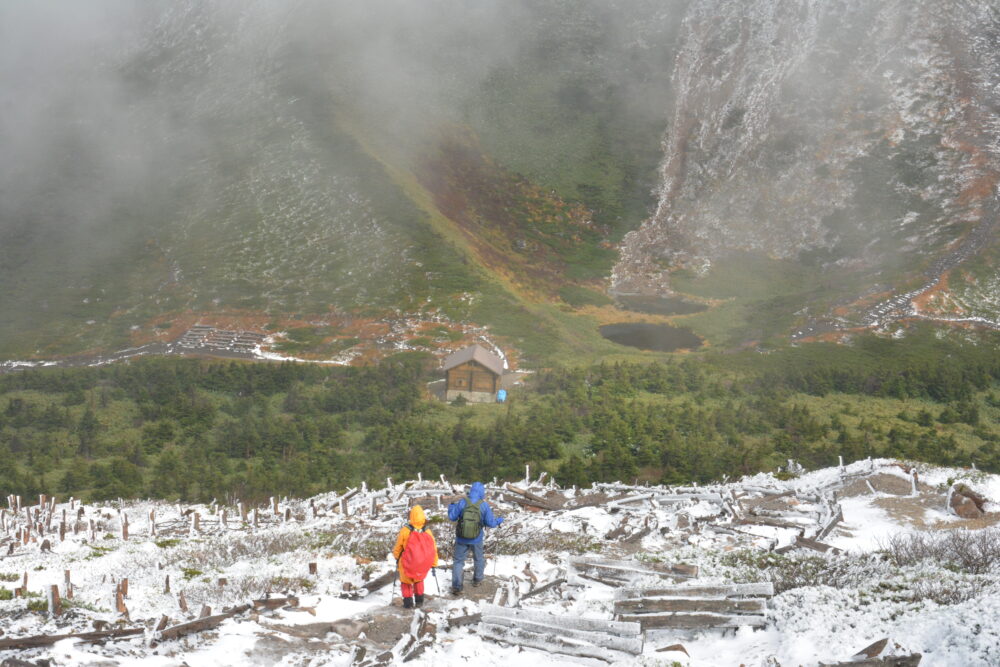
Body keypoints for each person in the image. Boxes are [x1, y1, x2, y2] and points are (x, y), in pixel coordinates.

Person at [447, 481, 503, 594]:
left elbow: (452, 517)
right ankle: (477, 580)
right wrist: (499, 520)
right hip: (477, 538)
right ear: (482, 492)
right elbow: (491, 523)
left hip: (461, 538)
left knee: (458, 561)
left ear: (471, 490)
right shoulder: (483, 505)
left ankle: (457, 587)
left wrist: (452, 505)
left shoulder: (463, 502)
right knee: (478, 559)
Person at [391, 505, 438, 609]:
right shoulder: (427, 531)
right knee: (419, 580)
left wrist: (397, 557)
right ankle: (419, 602)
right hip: (422, 563)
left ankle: (408, 605)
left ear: (411, 516)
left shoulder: (405, 530)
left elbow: (398, 547)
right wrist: (434, 563)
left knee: (406, 583)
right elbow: (433, 549)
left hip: (406, 562)